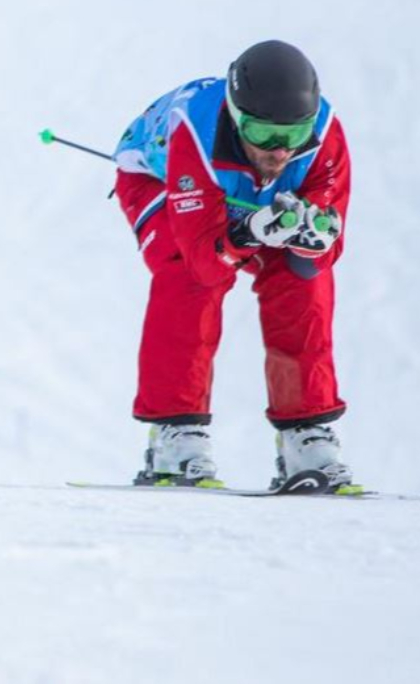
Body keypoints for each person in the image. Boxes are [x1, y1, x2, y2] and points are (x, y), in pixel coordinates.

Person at [111, 40, 356, 492]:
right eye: (263, 135)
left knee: (302, 279)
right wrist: (246, 234)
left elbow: (322, 252)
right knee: (187, 276)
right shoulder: (198, 133)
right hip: (162, 181)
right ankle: (174, 435)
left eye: (294, 136)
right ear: (236, 116)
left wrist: (313, 241)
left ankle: (304, 433)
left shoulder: (325, 136)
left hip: (247, 198)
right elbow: (206, 262)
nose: (280, 152)